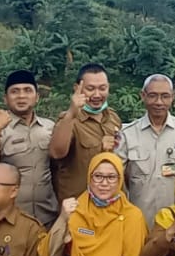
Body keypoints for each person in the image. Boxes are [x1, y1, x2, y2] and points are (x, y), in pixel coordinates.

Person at [0, 69, 58, 226]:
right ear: (5, 99)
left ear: (37, 97)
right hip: (11, 220)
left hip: (48, 216)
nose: (21, 96)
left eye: (28, 90)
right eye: (15, 91)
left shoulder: (50, 127)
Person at [118, 73, 175, 223]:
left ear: (173, 97)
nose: (159, 102)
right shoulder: (127, 135)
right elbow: (118, 180)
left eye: (165, 96)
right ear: (143, 95)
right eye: (153, 95)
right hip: (138, 220)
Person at [49, 63, 121, 204]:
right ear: (77, 88)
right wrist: (71, 113)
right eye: (90, 89)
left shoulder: (113, 118)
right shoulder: (69, 120)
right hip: (78, 206)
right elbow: (56, 153)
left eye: (102, 88)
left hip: (111, 205)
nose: (97, 95)